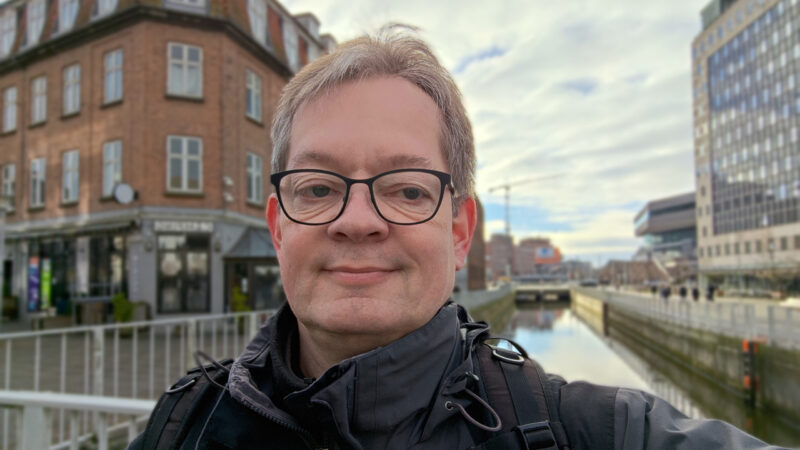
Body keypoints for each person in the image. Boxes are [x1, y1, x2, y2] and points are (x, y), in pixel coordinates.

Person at [129, 28, 779, 449]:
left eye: (408, 190)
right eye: (319, 187)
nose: (357, 219)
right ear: (278, 226)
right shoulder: (180, 428)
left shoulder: (592, 432)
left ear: (460, 231)